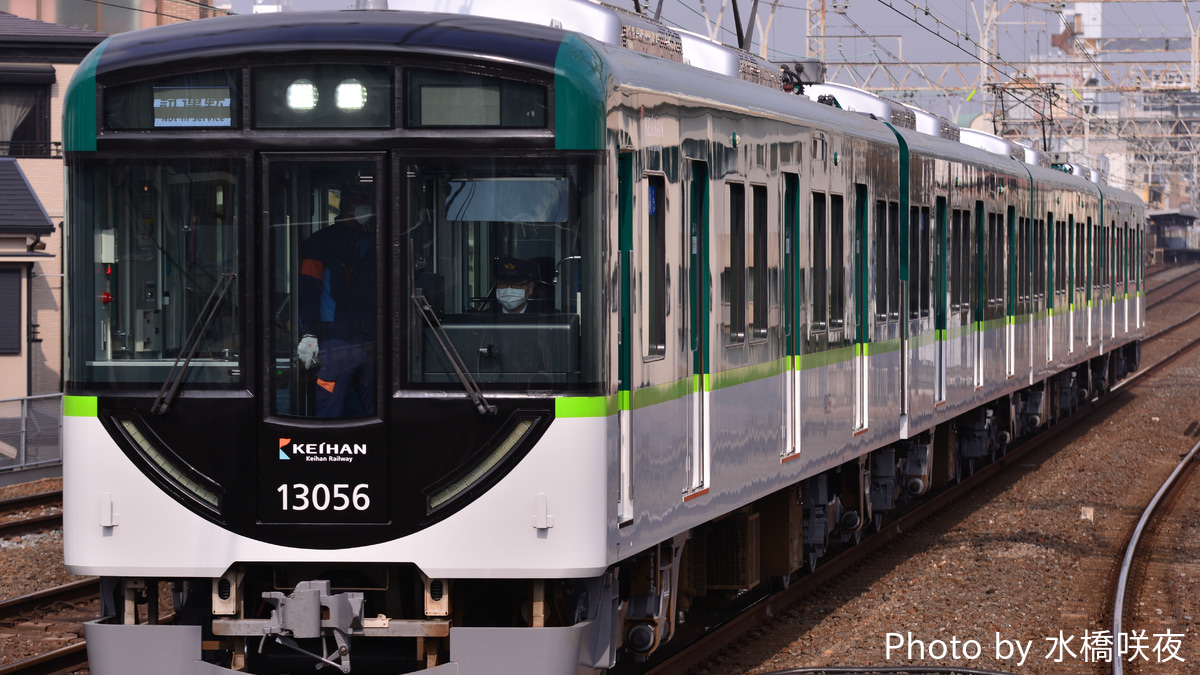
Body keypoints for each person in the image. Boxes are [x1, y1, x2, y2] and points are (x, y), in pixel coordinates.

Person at [296, 189, 376, 417]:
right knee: (329, 410)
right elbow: (308, 289)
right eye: (360, 201)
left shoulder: (374, 242)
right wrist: (309, 333)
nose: (364, 208)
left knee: (378, 415)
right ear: (346, 205)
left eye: (368, 203)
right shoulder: (321, 242)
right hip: (336, 341)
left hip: (371, 342)